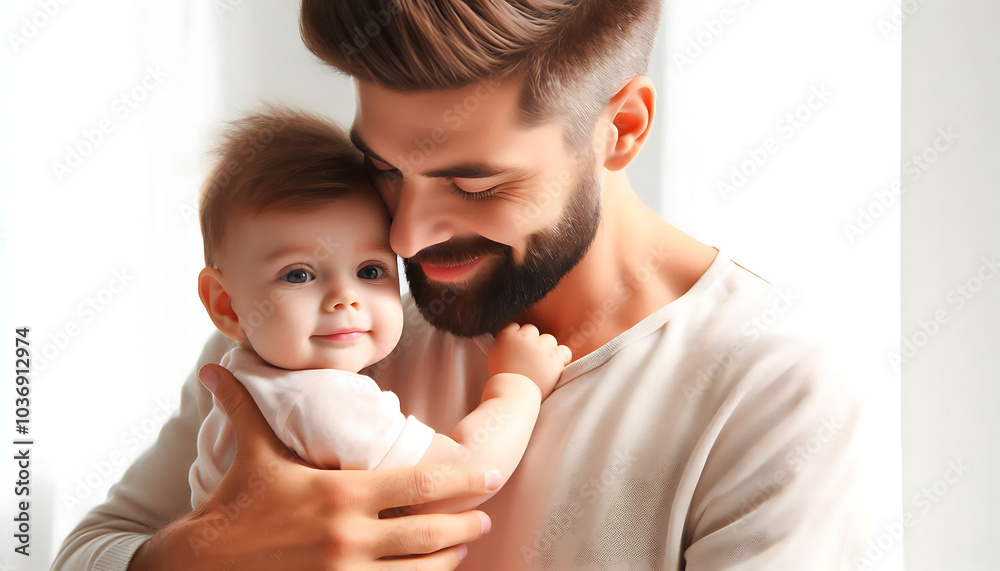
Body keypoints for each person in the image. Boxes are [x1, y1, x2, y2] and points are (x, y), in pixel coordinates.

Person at [52, 1, 865, 569]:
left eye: (474, 186)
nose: (404, 237)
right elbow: (85, 552)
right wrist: (206, 556)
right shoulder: (307, 327)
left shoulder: (767, 389)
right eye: (382, 168)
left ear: (621, 129)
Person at [186, 107, 570, 512]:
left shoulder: (246, 381)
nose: (344, 298)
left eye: (370, 271)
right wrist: (518, 383)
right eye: (298, 275)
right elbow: (459, 480)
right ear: (225, 304)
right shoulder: (318, 398)